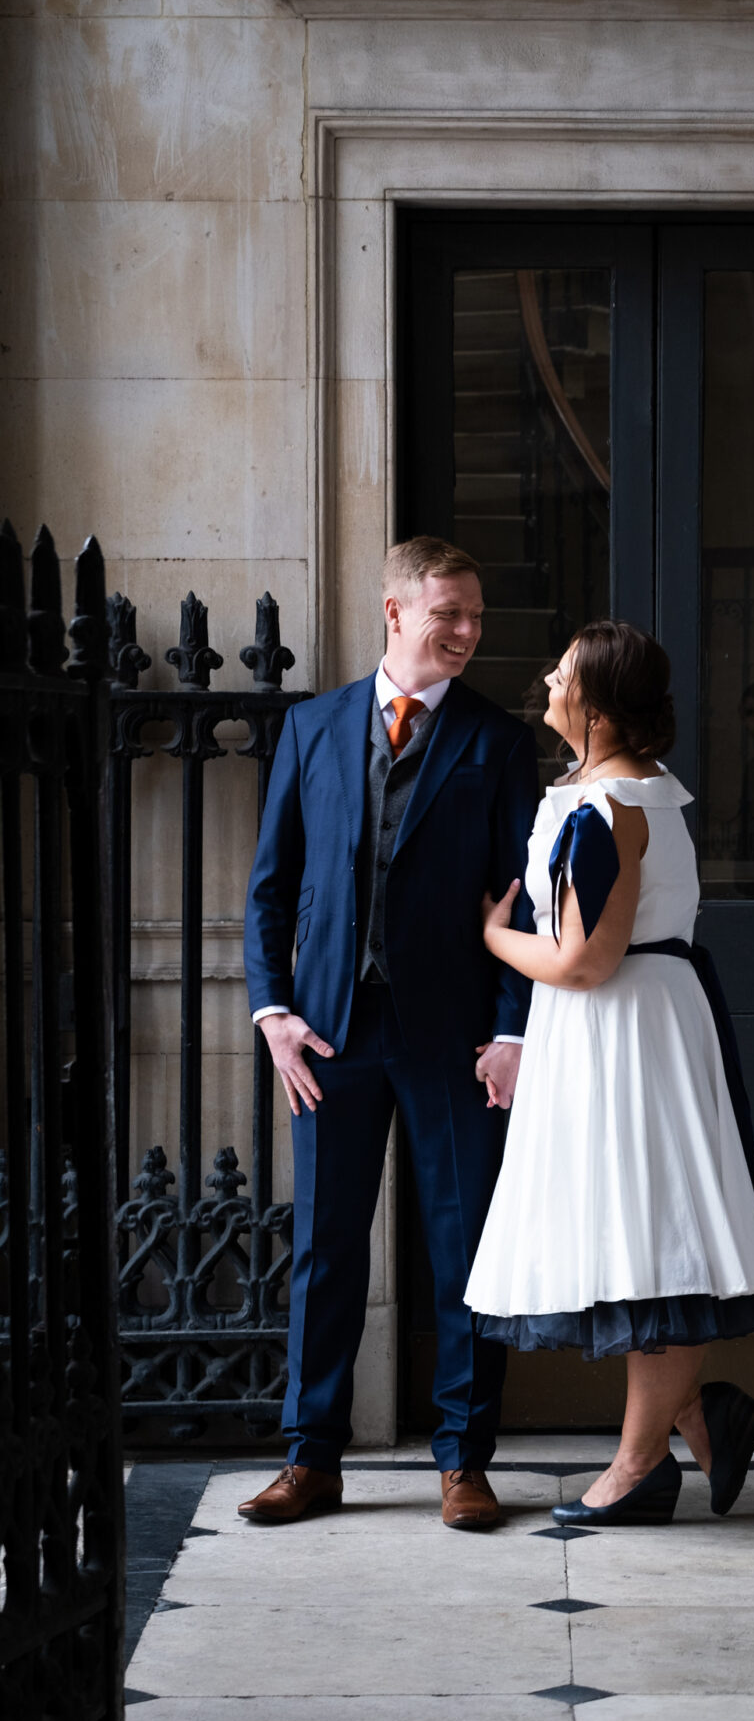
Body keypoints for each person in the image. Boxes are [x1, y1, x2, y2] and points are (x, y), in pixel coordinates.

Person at [465, 619, 754, 1524]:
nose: (546, 682)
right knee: (632, 1232)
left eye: (562, 675)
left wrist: (495, 936)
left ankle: (640, 1466)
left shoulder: (608, 807)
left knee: (655, 1242)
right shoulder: (603, 791)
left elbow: (581, 962)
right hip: (621, 1028)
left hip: (626, 1029)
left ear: (599, 709)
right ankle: (696, 1413)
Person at [239, 537, 537, 1531]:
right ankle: (311, 1458)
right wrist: (273, 1013)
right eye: (449, 612)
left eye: (477, 617)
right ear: (395, 612)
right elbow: (271, 887)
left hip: (453, 1037)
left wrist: (509, 1031)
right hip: (329, 1033)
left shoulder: (495, 742)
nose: (466, 632)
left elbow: (520, 901)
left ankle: (464, 1460)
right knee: (325, 1246)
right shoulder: (315, 727)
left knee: (464, 1248)